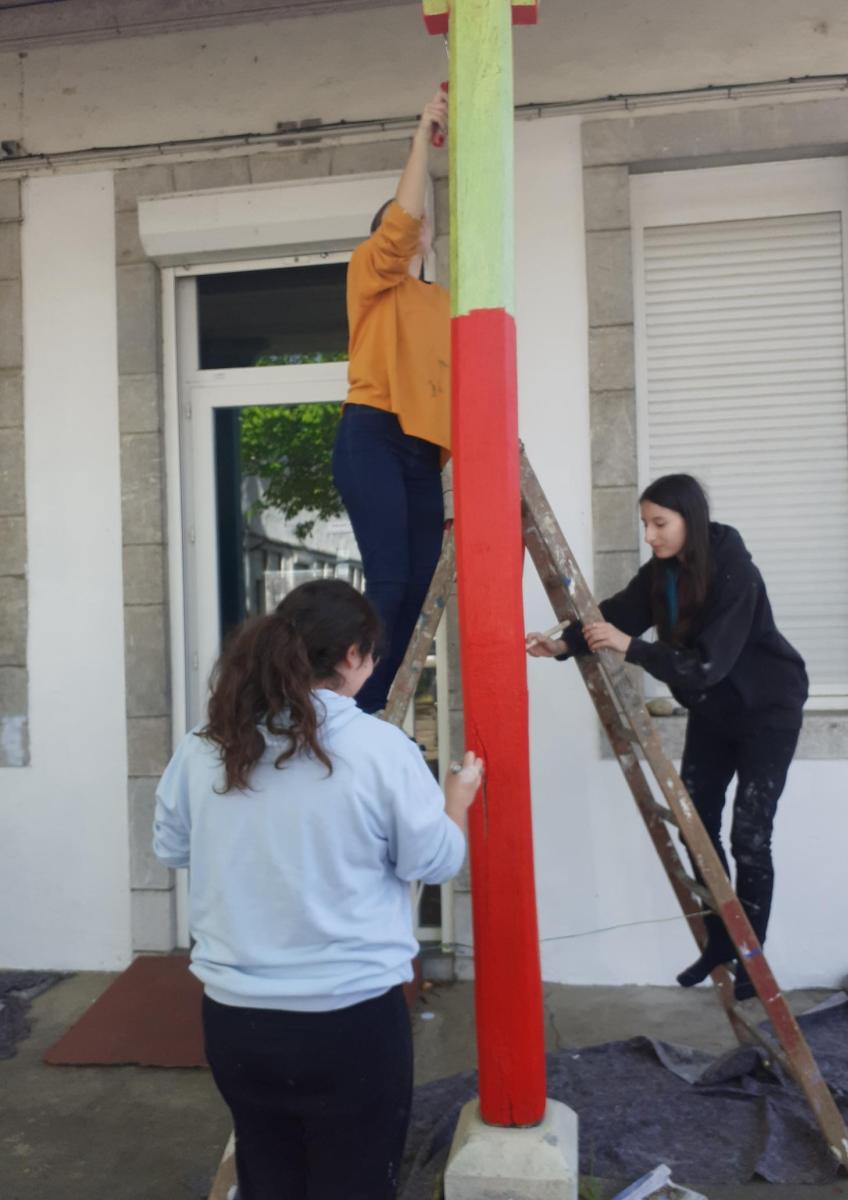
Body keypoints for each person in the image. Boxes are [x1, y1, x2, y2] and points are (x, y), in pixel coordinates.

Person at [153, 578, 482, 1200]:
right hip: (349, 1021)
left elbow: (172, 848)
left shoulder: (205, 745)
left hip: (237, 1021)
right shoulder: (380, 748)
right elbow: (435, 861)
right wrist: (456, 803)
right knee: (355, 1183)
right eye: (372, 655)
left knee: (268, 1176)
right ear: (353, 655)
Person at [526, 474, 808, 1001]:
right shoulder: (661, 573)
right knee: (695, 824)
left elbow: (707, 665)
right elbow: (615, 616)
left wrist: (630, 647)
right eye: (645, 524)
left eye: (660, 523)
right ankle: (722, 938)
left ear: (689, 520)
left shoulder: (735, 571)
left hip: (767, 710)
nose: (650, 536)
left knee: (750, 834)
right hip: (714, 711)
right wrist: (562, 644)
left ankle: (752, 957)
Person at [331, 87, 451, 715]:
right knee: (391, 579)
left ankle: (380, 707)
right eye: (405, 221)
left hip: (422, 451)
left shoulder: (442, 303)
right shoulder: (369, 275)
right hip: (373, 433)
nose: (416, 225)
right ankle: (353, 705)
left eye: (423, 222)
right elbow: (402, 221)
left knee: (422, 587)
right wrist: (422, 138)